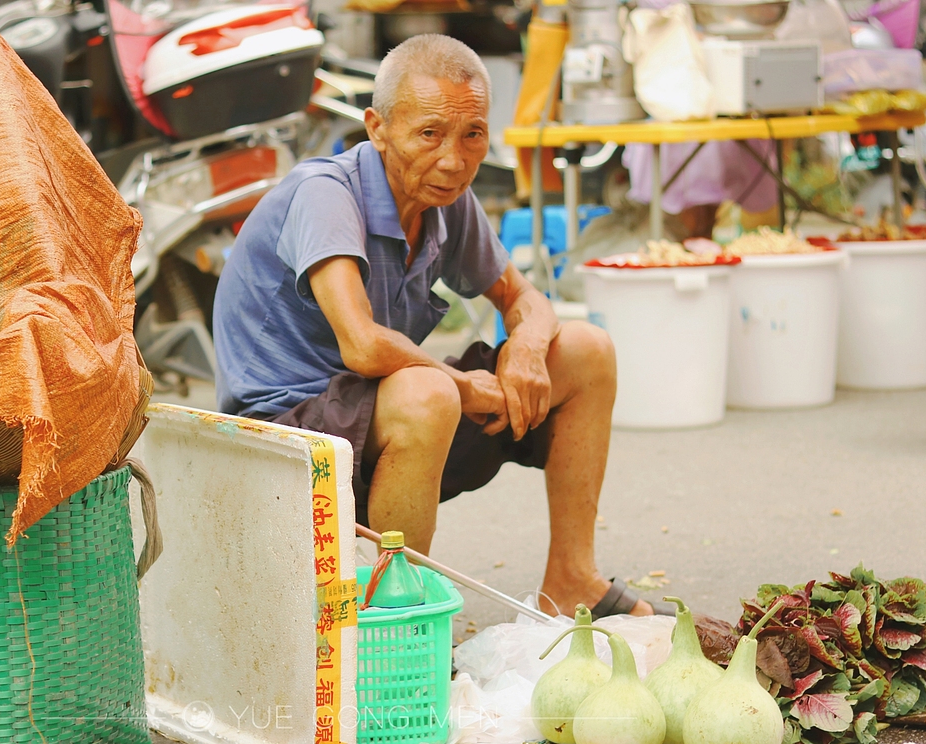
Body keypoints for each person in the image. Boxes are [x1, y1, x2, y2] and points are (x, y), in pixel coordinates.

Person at [213, 34, 666, 618]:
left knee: (584, 348)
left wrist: (525, 348)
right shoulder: (326, 195)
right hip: (282, 449)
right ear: (378, 128)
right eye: (429, 134)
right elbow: (362, 345)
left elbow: (524, 296)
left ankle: (572, 578)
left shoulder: (444, 196)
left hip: (379, 425)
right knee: (428, 392)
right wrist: (466, 386)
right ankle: (393, 621)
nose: (454, 160)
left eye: (472, 135)